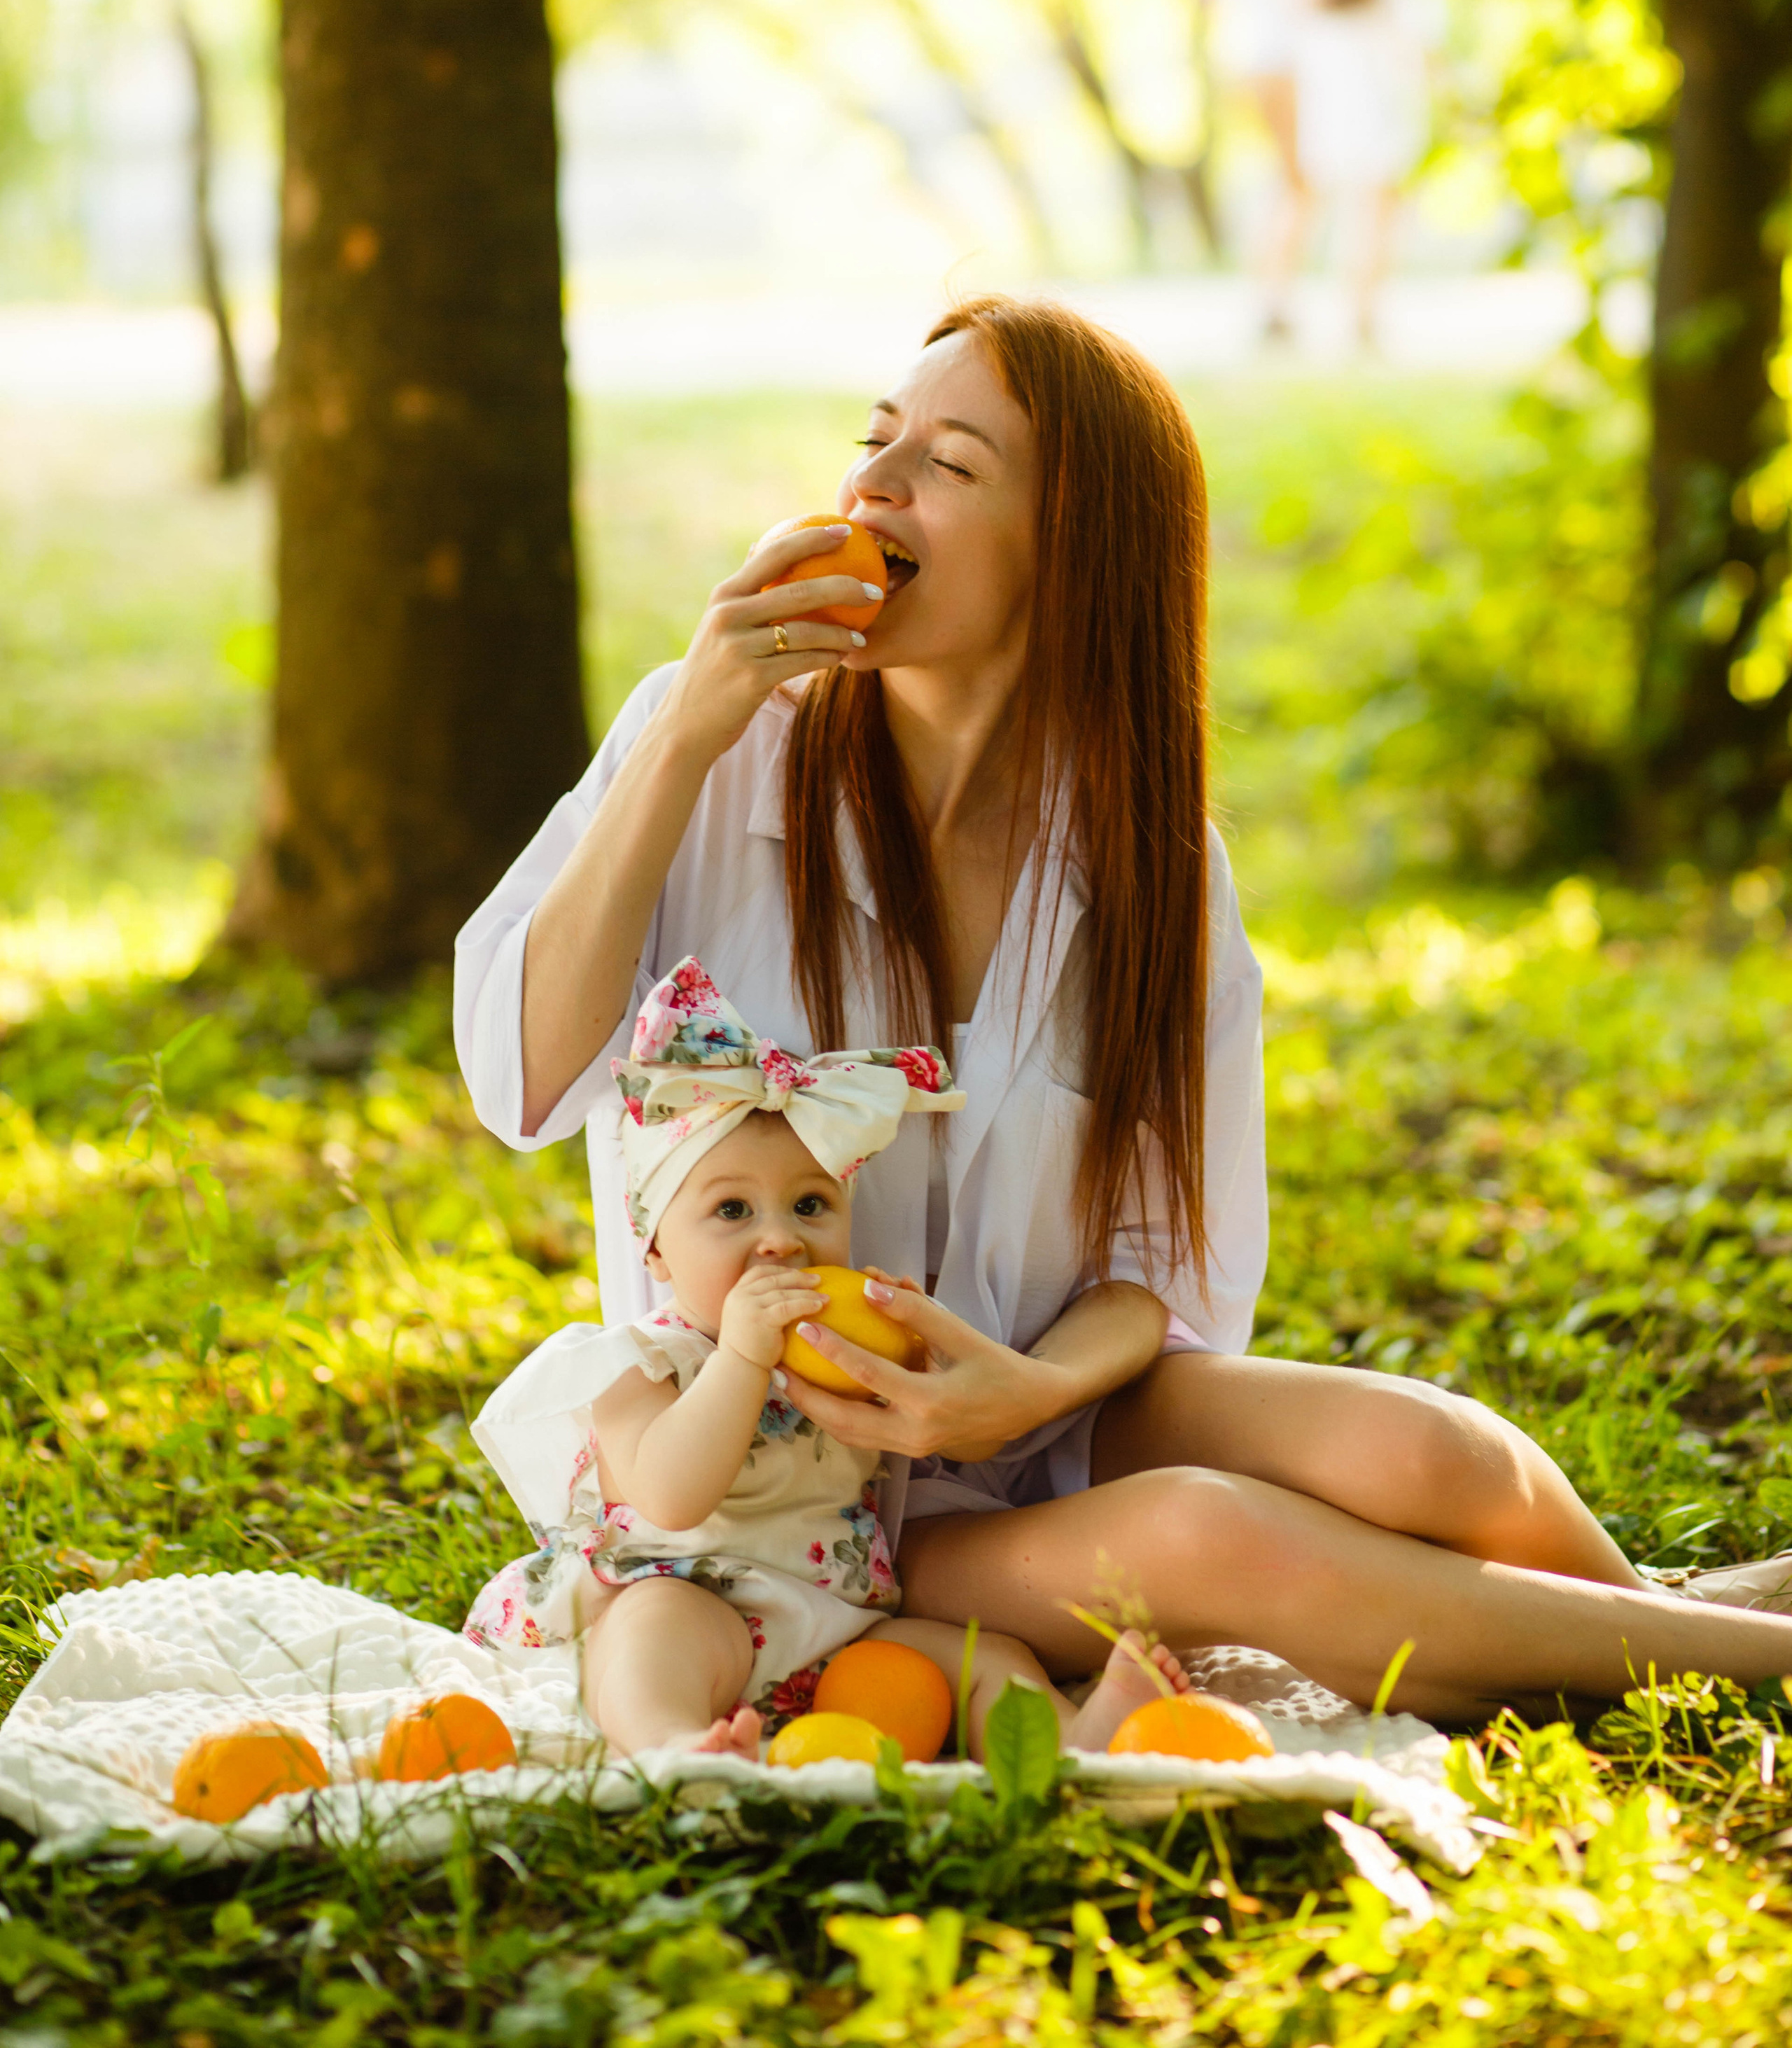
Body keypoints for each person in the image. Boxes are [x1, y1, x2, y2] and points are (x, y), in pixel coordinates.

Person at [456, 293, 1792, 1727]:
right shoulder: (712, 747)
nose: (874, 488)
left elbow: (1160, 1265)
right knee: (1211, 1541)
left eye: (950, 466)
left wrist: (1019, 1393)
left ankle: (1639, 1623)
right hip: (799, 1494)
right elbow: (520, 1082)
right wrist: (682, 739)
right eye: (876, 440)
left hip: (1044, 1417)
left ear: (1074, 548)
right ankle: (1735, 1654)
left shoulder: (1143, 854)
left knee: (1439, 1459)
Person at [463, 954, 1191, 1758]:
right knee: (647, 1636)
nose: (780, 1237)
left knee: (980, 1656)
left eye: (810, 1204)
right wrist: (739, 1361)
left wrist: (916, 1365)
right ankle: (676, 1748)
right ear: (658, 1252)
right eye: (732, 1209)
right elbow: (671, 1496)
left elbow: (946, 1437)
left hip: (836, 1629)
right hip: (689, 1605)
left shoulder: (836, 1354)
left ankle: (1064, 1741)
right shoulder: (643, 1363)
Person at [1203, 0, 1345, 336]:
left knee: (1286, 176)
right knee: (1300, 179)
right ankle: (1272, 299)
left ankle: (1270, 294)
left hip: (1243, 59)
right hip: (1292, 60)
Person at [1288, 0, 1429, 351]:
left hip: (1331, 117)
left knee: (1351, 220)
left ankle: (1353, 311)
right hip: (1379, 117)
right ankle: (1363, 314)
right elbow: (1414, 50)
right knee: (1378, 223)